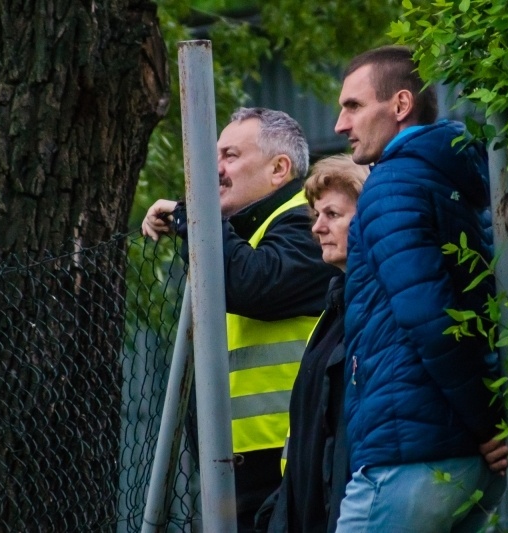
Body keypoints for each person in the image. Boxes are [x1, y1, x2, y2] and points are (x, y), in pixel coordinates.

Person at [333, 46, 508, 531]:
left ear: (401, 105)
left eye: (353, 106)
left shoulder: (392, 184)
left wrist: (485, 425)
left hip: (410, 462)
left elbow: (430, 319)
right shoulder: (454, 182)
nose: (339, 125)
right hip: (462, 457)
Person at [142, 107, 340, 532]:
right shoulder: (248, 231)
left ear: (278, 168)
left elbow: (250, 285)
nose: (214, 169)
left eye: (230, 155)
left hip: (290, 457)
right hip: (243, 463)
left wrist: (190, 215)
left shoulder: (311, 223)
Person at [265, 155, 369, 533]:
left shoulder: (375, 308)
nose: (318, 228)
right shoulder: (334, 309)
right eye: (315, 217)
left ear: (370, 217)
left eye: (333, 215)